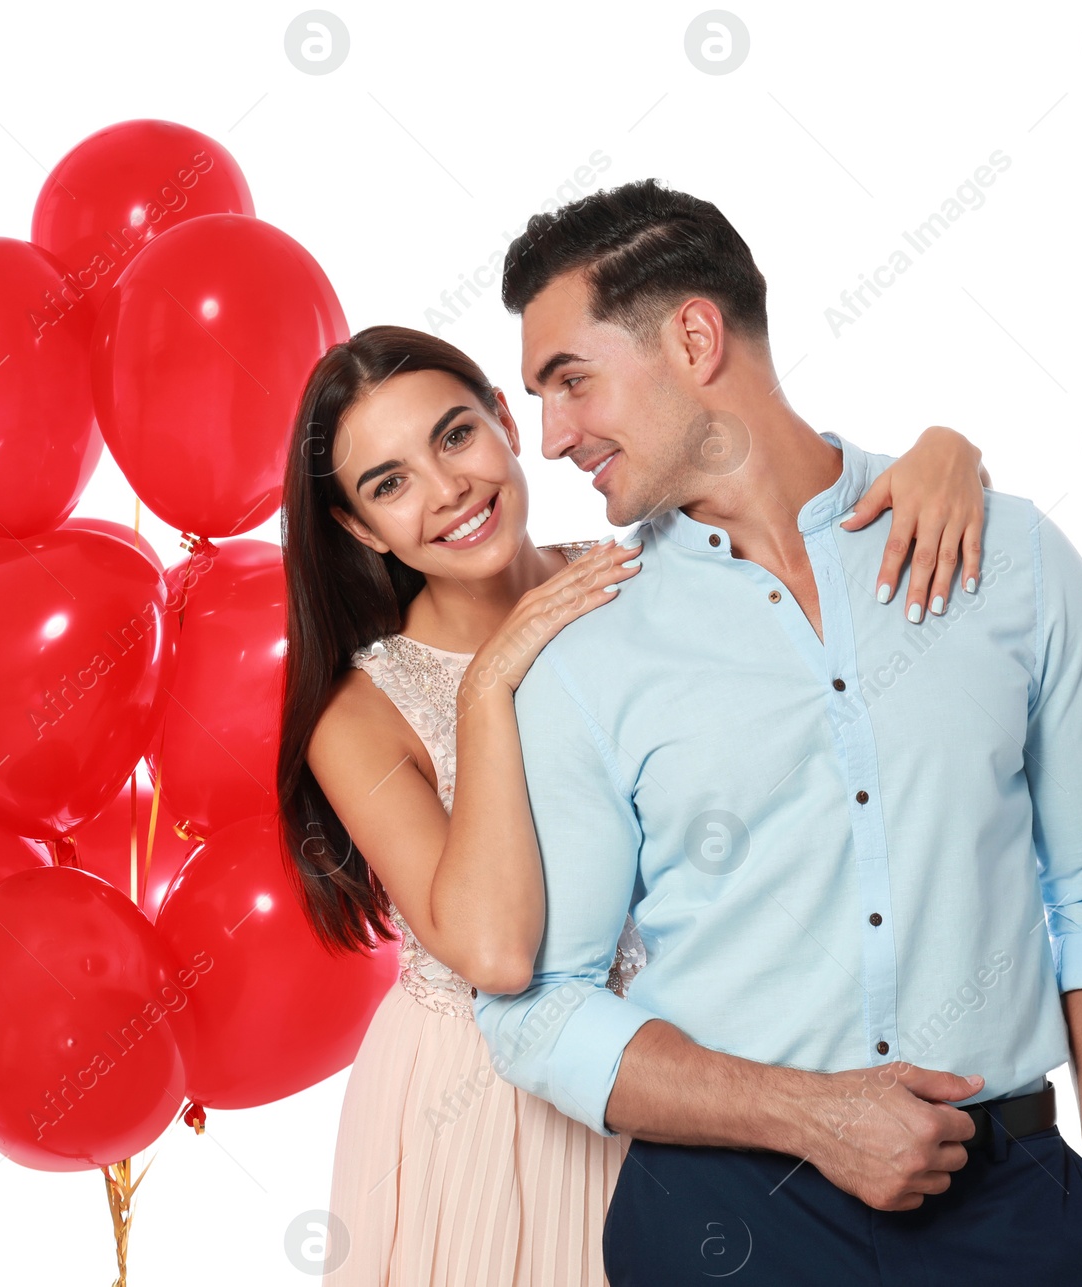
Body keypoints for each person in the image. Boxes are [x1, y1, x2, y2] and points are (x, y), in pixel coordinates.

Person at [469, 178, 1082, 1286]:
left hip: (1015, 1214)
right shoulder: (580, 651)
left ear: (695, 337)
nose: (551, 438)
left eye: (571, 382)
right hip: (722, 1227)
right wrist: (806, 1114)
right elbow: (535, 1007)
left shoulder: (1010, 557)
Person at [275, 320, 994, 1285]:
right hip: (481, 1111)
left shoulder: (642, 574)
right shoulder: (359, 713)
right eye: (389, 483)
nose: (447, 490)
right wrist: (489, 685)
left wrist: (948, 452)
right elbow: (495, 952)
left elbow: (794, 525)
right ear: (360, 529)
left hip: (679, 1076)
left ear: (505, 420)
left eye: (454, 435)